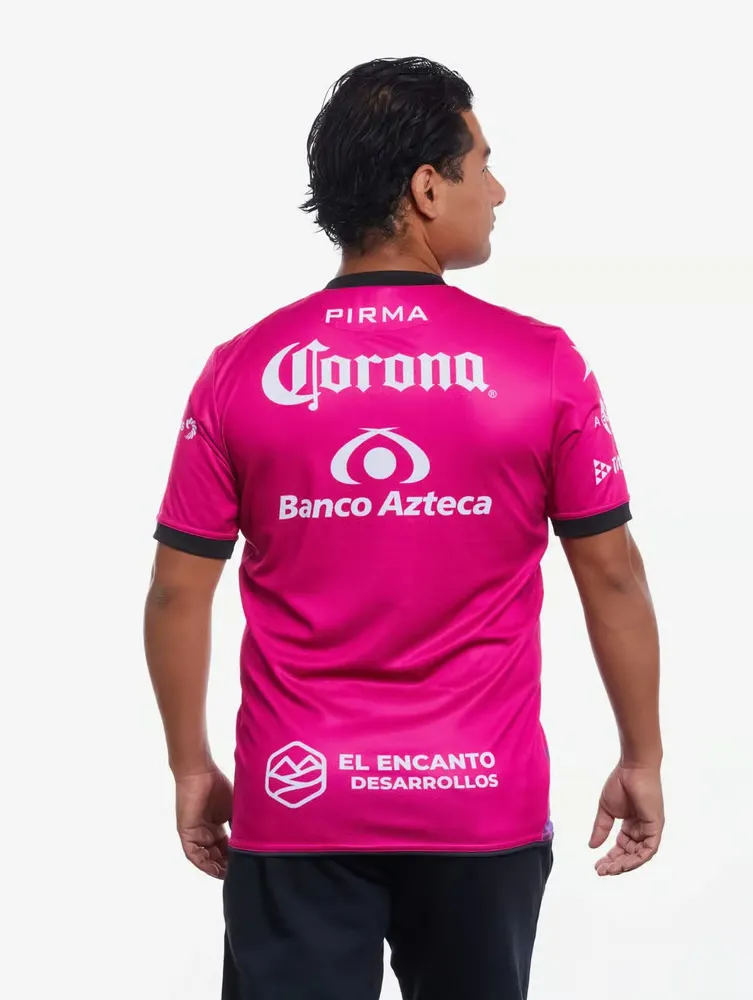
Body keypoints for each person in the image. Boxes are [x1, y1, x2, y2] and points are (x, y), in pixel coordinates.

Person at [144, 56, 664, 1000]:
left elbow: (180, 590)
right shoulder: (542, 365)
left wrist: (190, 767)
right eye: (484, 164)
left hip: (300, 796)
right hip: (481, 801)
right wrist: (642, 756)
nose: (497, 191)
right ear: (428, 188)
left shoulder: (240, 370)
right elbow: (613, 576)